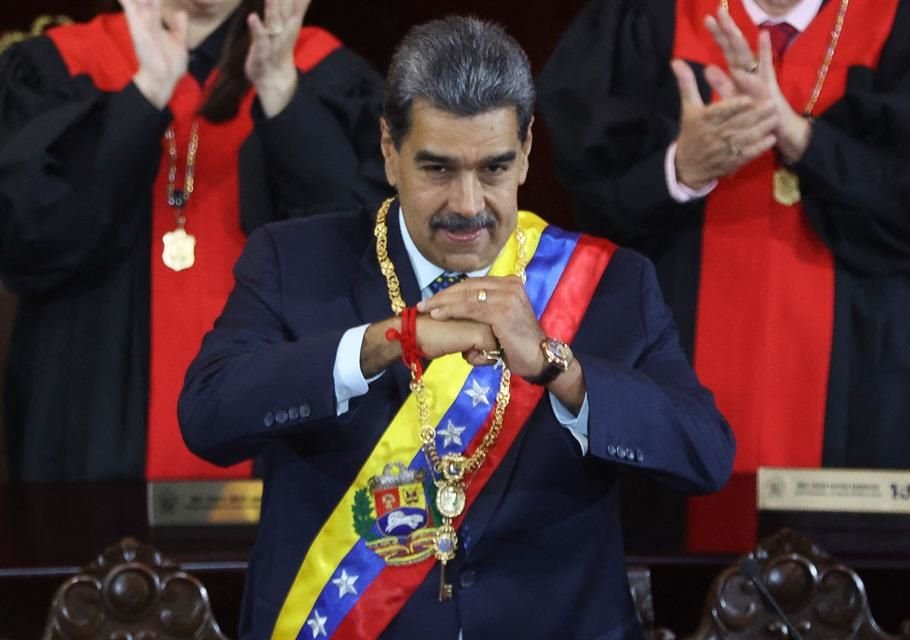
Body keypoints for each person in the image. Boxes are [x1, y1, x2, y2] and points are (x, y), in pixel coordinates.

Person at [179, 16, 734, 638]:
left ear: (526, 151)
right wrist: (387, 340)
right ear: (389, 150)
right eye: (438, 170)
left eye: (494, 169)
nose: (468, 206)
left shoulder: (613, 283)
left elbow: (704, 456)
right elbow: (207, 416)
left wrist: (561, 371)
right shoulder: (293, 260)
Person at [538, 0, 910, 481]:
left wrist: (804, 140)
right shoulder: (646, 16)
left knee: (857, 547)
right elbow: (583, 186)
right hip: (674, 340)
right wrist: (680, 170)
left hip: (864, 372)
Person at [0, 0, 390, 482]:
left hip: (278, 463)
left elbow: (364, 260)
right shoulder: (58, 65)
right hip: (88, 434)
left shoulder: (322, 71)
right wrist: (144, 97)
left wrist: (281, 91)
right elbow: (27, 240)